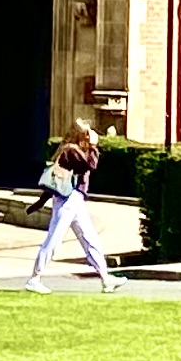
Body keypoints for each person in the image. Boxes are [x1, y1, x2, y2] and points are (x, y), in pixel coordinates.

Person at [23, 116, 122, 292]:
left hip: (75, 200)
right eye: (87, 133)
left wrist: (39, 203)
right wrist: (94, 145)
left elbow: (56, 182)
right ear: (80, 135)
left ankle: (106, 279)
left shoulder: (71, 150)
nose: (90, 135)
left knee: (90, 238)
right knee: (54, 239)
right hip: (68, 200)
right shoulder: (72, 151)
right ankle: (35, 279)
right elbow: (91, 165)